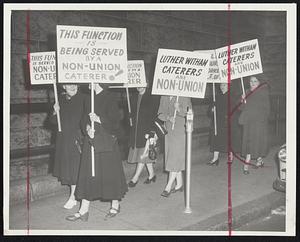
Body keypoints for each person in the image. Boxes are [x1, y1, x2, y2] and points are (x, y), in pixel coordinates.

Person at [66, 83, 128, 222]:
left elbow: (116, 122)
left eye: (90, 79)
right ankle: (83, 210)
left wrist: (99, 119)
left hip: (107, 143)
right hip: (91, 141)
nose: (88, 82)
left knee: (109, 173)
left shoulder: (110, 97)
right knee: (88, 174)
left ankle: (115, 205)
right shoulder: (88, 99)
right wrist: (87, 128)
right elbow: (83, 119)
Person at [51, 84, 85, 209]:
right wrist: (55, 112)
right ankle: (75, 195)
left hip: (78, 138)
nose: (72, 86)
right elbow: (53, 122)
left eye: (75, 83)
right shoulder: (61, 99)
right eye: (69, 84)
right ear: (64, 86)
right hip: (64, 140)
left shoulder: (84, 99)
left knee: (75, 168)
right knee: (70, 169)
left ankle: (73, 196)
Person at [157, 95, 192, 197]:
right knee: (172, 157)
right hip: (169, 131)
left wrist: (179, 109)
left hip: (180, 130)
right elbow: (159, 113)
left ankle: (168, 187)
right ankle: (179, 184)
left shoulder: (184, 96)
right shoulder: (163, 97)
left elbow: (189, 112)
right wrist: (168, 117)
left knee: (174, 157)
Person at [127, 85, 160, 187]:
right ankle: (152, 175)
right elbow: (133, 113)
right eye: (137, 84)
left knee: (142, 154)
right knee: (145, 153)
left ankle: (135, 178)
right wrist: (130, 117)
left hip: (147, 130)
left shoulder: (152, 97)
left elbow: (156, 115)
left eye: (141, 84)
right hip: (137, 131)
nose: (139, 87)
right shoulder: (134, 97)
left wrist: (153, 132)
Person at [238, 76, 270, 174]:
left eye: (255, 81)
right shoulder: (246, 92)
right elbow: (241, 108)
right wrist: (242, 100)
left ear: (259, 82)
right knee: (249, 142)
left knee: (258, 141)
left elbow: (267, 108)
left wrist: (263, 120)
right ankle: (246, 164)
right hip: (249, 122)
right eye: (251, 81)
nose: (252, 83)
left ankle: (258, 160)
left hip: (259, 122)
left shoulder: (263, 92)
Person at [207, 83, 242, 165]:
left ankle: (230, 156)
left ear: (229, 86)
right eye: (221, 85)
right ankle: (215, 158)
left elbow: (237, 109)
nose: (222, 87)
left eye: (224, 85)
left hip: (229, 121)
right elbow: (209, 112)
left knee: (229, 139)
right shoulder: (216, 97)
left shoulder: (232, 96)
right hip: (218, 122)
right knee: (216, 139)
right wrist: (212, 110)